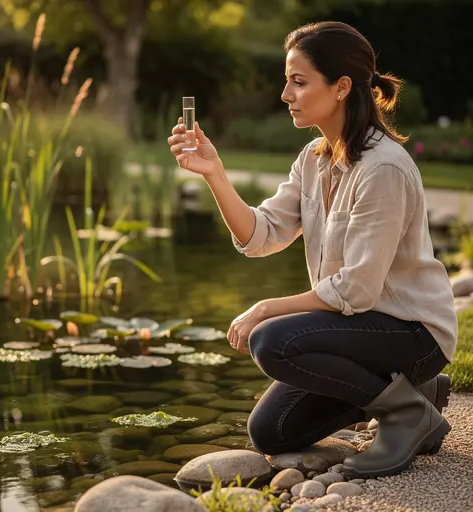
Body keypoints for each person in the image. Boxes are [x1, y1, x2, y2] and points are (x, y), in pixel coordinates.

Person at [167, 21, 457, 479]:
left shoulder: (383, 169)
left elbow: (357, 290)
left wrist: (266, 307)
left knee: (272, 340)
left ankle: (405, 413)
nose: (285, 94)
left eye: (298, 82)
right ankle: (420, 394)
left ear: (341, 87)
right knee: (273, 432)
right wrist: (214, 174)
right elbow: (261, 234)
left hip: (412, 332)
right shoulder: (313, 158)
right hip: (359, 328)